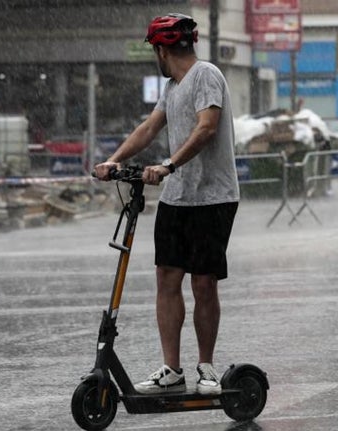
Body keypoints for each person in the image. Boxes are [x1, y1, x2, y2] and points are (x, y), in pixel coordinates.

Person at [94, 13, 240, 396]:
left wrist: (169, 164)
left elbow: (206, 127)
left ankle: (206, 368)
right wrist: (115, 161)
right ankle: (171, 370)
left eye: (153, 50)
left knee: (203, 282)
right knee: (167, 278)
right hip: (178, 197)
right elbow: (149, 127)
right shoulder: (173, 86)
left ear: (161, 49)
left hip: (213, 196)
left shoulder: (205, 75)